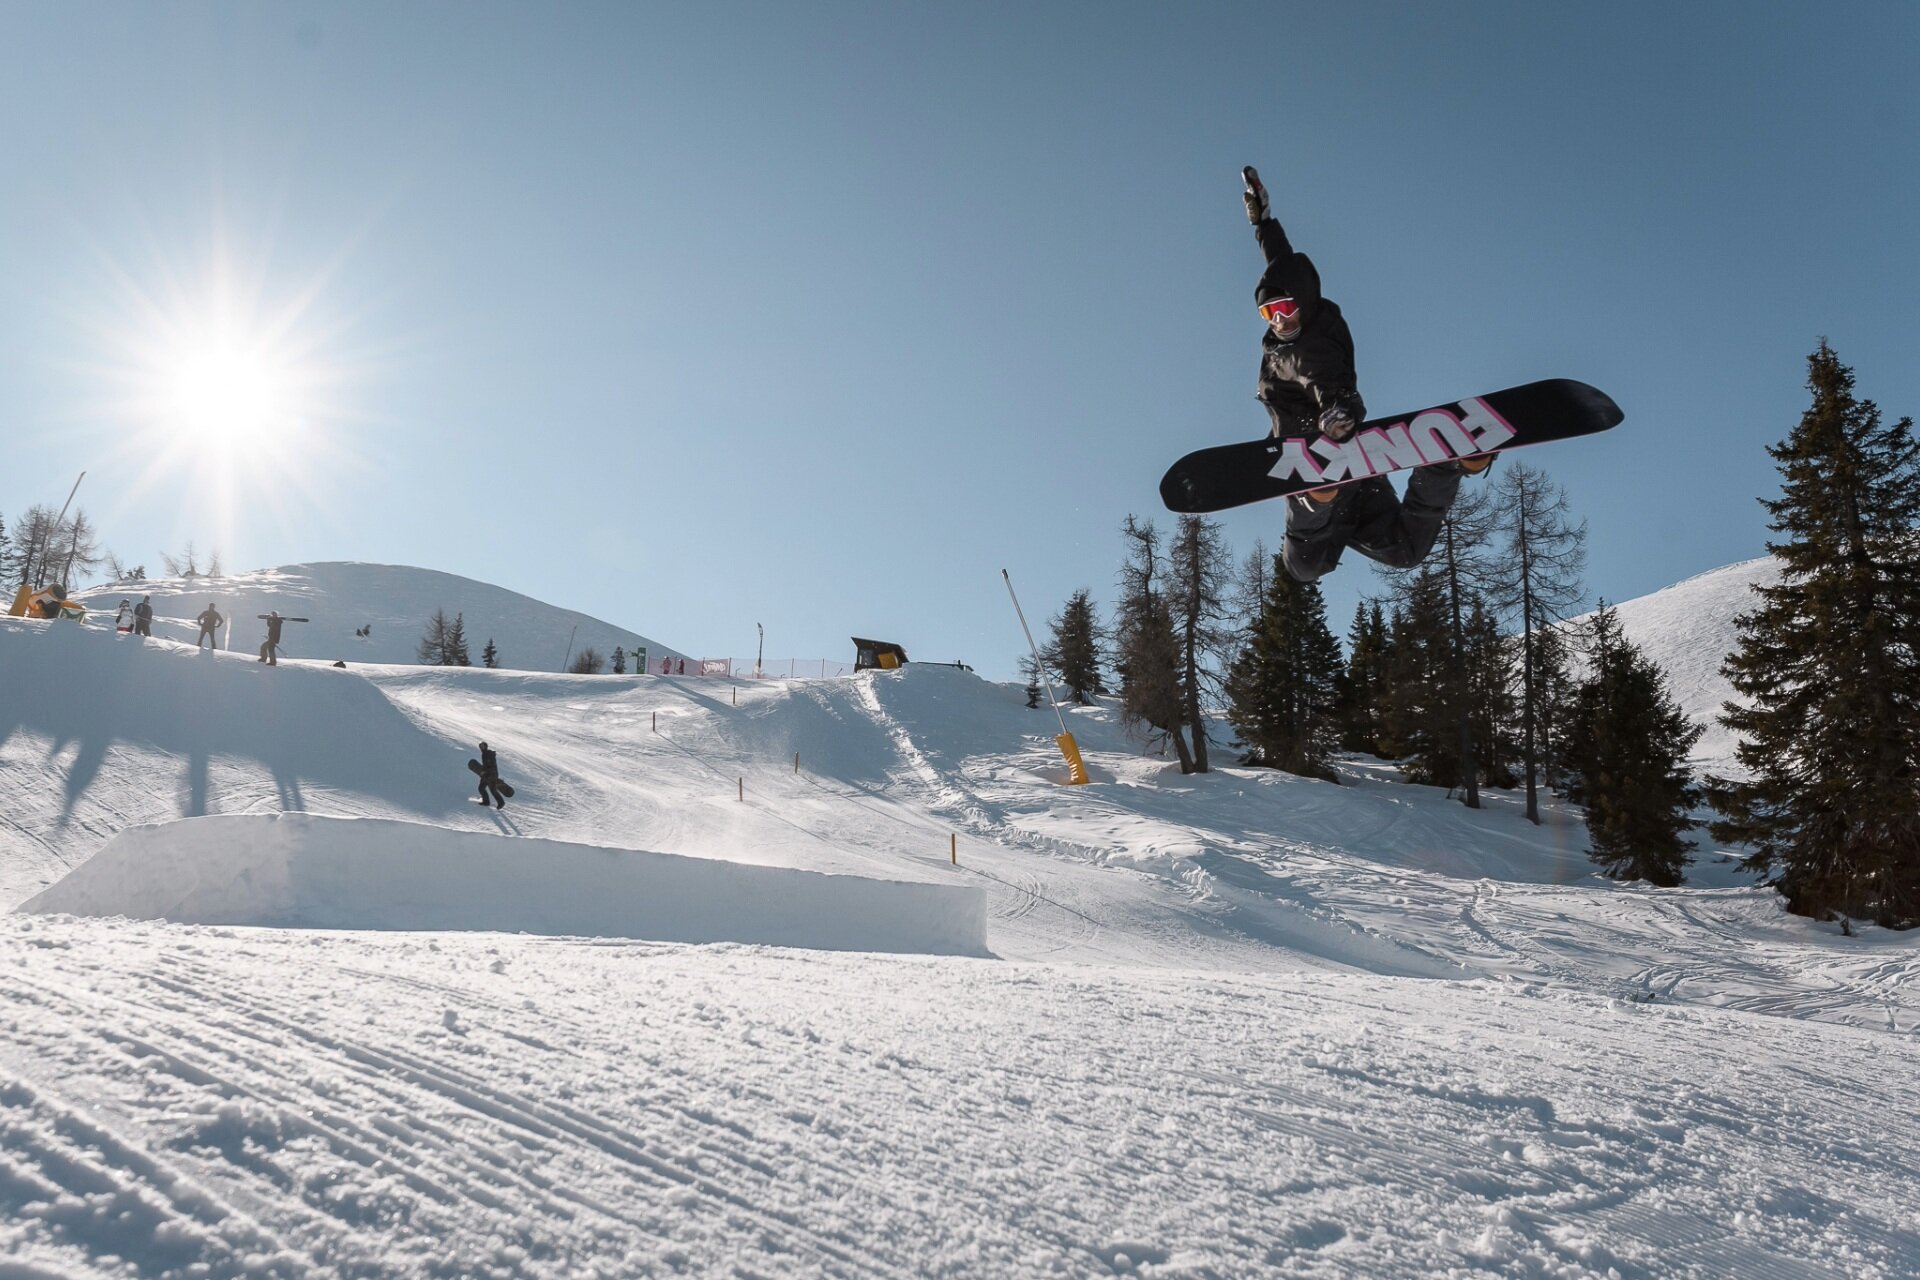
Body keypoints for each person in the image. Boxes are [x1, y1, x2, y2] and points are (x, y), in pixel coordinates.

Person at [1243, 165, 1491, 584]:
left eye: (1285, 309)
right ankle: (1442, 465)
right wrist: (1263, 222)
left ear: (1302, 300)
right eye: (1268, 313)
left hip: (1315, 456)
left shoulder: (1299, 350)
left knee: (1303, 566)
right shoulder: (1307, 308)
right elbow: (1283, 264)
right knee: (1405, 550)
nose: (1279, 321)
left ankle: (1315, 495)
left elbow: (1323, 378)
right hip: (1359, 472)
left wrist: (1337, 414)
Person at [475, 741, 508, 809]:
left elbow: (491, 765)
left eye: (482, 746)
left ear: (485, 746)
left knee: (490, 789)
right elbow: (487, 765)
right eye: (480, 746)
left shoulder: (488, 753)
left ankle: (500, 803)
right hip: (488, 774)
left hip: (491, 774)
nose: (481, 747)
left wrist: (486, 772)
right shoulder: (485, 754)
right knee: (482, 788)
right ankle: (487, 802)